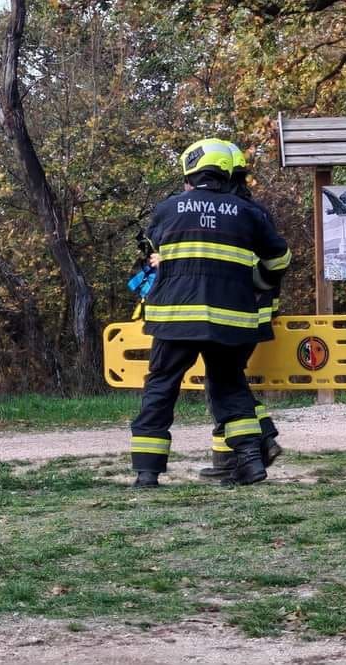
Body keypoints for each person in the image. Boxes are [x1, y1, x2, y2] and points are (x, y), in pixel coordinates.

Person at [129, 138, 291, 488]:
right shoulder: (248, 212)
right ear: (228, 172)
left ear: (191, 173)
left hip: (175, 318)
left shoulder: (168, 208)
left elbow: (156, 247)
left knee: (161, 388)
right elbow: (280, 259)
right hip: (230, 318)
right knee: (230, 386)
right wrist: (259, 281)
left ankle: (147, 473)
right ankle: (250, 460)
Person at [199, 142, 283, 480]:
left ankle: (259, 441)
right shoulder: (252, 211)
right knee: (227, 380)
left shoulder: (230, 214)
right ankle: (237, 456)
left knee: (224, 384)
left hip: (236, 310)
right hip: (257, 310)